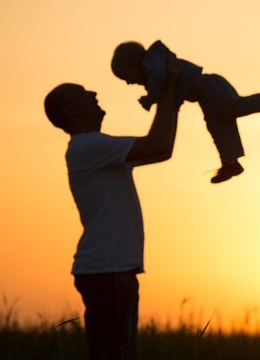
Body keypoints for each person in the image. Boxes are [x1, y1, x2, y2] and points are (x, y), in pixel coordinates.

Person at [43, 60, 180, 360]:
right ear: (71, 110)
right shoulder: (87, 146)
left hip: (112, 271)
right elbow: (158, 144)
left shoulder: (100, 149)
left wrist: (171, 98)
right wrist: (169, 89)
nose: (92, 92)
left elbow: (163, 148)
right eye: (81, 93)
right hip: (108, 272)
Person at [111, 40, 260, 184]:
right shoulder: (154, 63)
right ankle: (230, 163)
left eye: (126, 77)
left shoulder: (152, 63)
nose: (128, 82)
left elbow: (159, 76)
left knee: (234, 108)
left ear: (135, 64)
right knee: (218, 127)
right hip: (206, 96)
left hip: (209, 88)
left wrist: (152, 96)